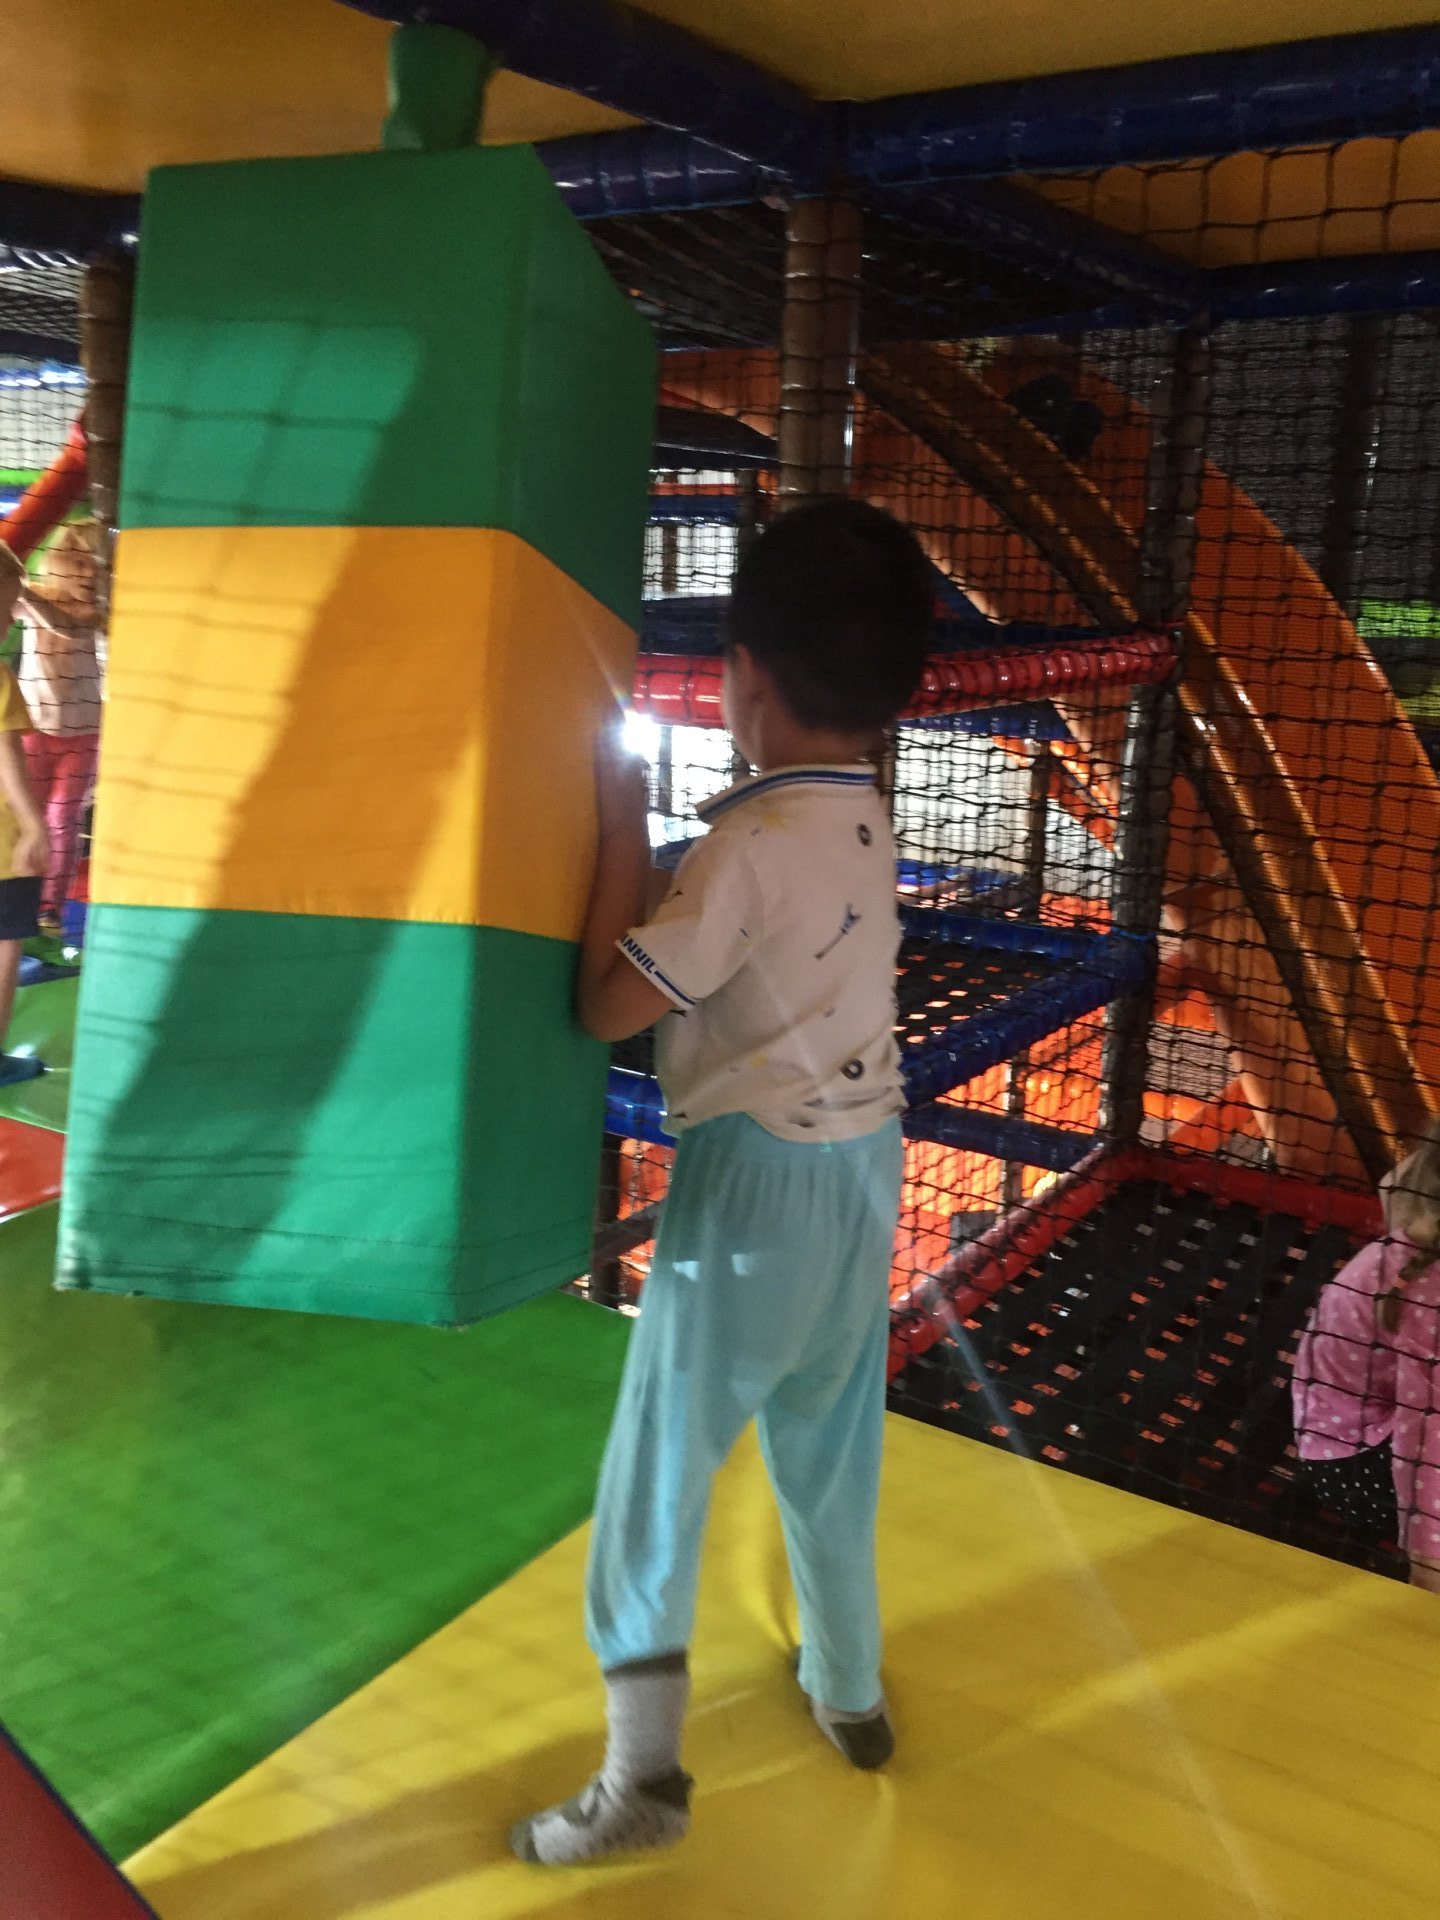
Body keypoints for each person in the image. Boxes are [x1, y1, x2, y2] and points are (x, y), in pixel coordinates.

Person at [510, 498, 933, 1867]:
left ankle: (643, 1779)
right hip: (866, 1165)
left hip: (753, 1185)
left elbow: (604, 1008)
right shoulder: (864, 810)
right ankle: (850, 1689)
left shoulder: (745, 850)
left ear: (744, 674)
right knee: (831, 1439)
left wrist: (619, 827)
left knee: (658, 1470)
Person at [1291, 1115, 1440, 1594]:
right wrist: (1429, 1565)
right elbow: (1425, 1440)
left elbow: (1394, 1181)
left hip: (1383, 1417)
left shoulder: (1423, 1223)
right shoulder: (1428, 1294)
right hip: (1349, 1460)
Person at [16, 519, 103, 932]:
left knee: (62, 817)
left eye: (97, 566)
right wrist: (15, 583)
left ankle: (50, 906)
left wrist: (24, 592)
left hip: (82, 735)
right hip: (33, 729)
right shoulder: (35, 596)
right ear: (59, 562)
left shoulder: (97, 612)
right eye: (79, 563)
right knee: (24, 812)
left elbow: (67, 627)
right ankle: (20, 891)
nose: (88, 574)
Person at [0, 541, 51, 1087]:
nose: (11, 621)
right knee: (5, 942)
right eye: (5, 609)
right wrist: (35, 824)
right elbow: (7, 758)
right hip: (3, 847)